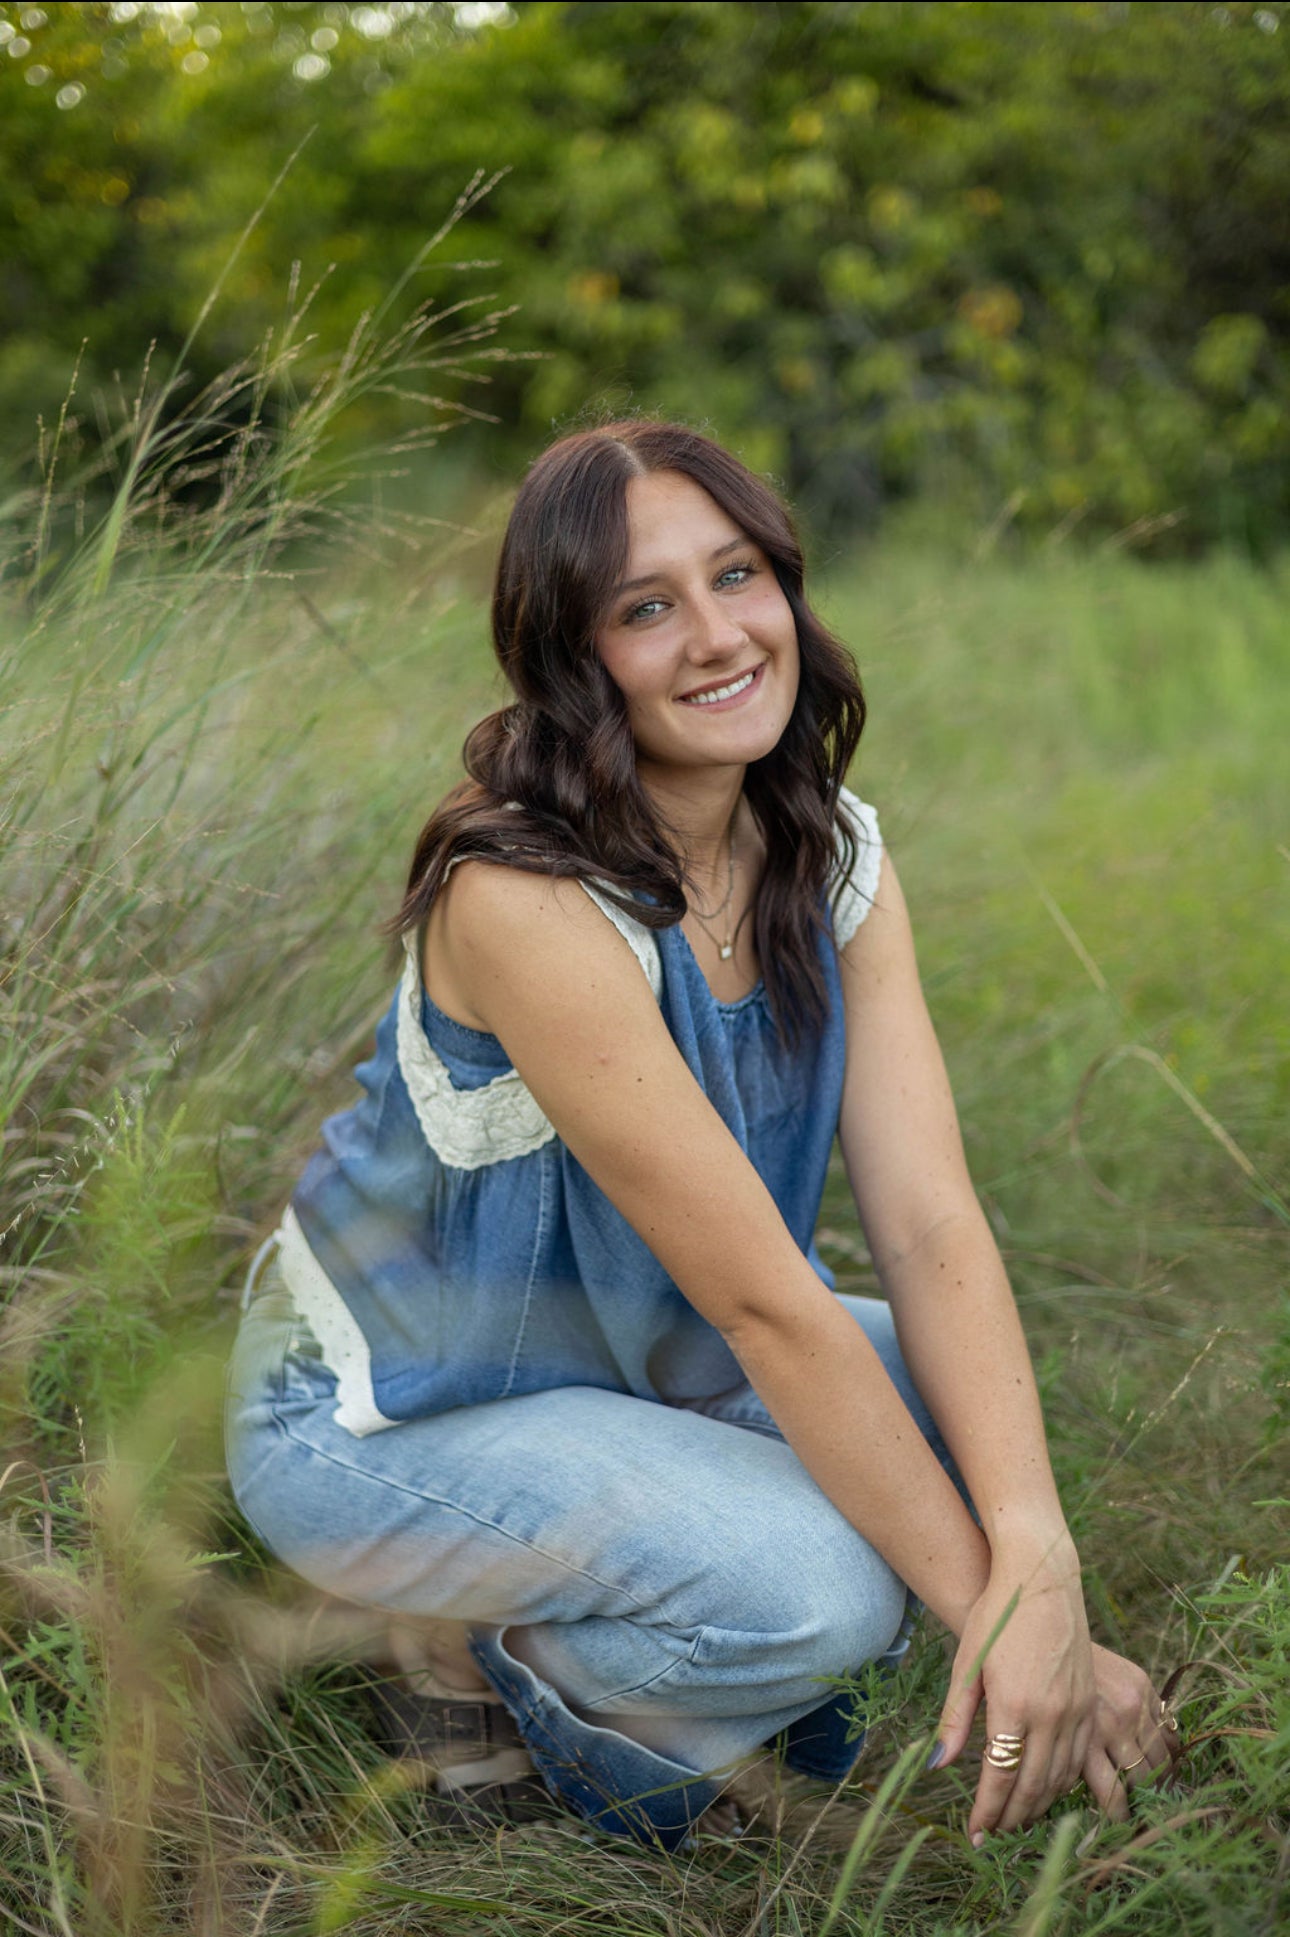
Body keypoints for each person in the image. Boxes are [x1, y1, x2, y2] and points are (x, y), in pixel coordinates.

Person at [225, 420, 1181, 1849]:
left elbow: (925, 1222)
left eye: (736, 575)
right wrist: (1003, 1629)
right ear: (572, 656)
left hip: (630, 1357)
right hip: (393, 1407)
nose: (718, 635)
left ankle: (666, 1615)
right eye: (643, 607)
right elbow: (763, 1302)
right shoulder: (524, 900)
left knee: (956, 1417)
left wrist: (1040, 1567)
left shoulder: (826, 850)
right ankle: (493, 1666)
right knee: (820, 1588)